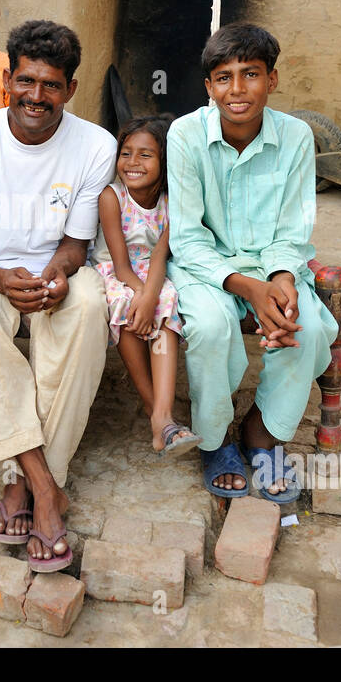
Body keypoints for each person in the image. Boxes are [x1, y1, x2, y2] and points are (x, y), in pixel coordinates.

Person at [0, 19, 115, 572]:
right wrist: (1, 278)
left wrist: (56, 277)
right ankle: (41, 486)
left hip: (56, 271)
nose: (36, 96)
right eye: (26, 81)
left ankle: (25, 482)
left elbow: (77, 246)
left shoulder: (95, 145)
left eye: (51, 85)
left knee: (88, 306)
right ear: (8, 78)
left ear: (70, 90)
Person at [166, 23, 339, 503]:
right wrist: (247, 288)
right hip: (205, 265)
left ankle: (261, 434)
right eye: (223, 78)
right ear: (208, 88)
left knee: (307, 327)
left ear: (273, 80)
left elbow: (292, 228)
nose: (237, 90)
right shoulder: (185, 134)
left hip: (271, 263)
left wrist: (281, 279)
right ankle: (216, 438)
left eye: (251, 75)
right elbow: (186, 234)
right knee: (211, 326)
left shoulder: (297, 136)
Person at [94, 115, 200, 457]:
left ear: (164, 161)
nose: (133, 163)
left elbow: (159, 256)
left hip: (154, 272)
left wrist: (150, 294)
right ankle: (162, 420)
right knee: (125, 304)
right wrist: (140, 294)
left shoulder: (173, 201)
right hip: (115, 271)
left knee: (165, 300)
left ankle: (163, 417)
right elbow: (120, 265)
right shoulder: (112, 197)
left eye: (145, 155)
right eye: (126, 153)